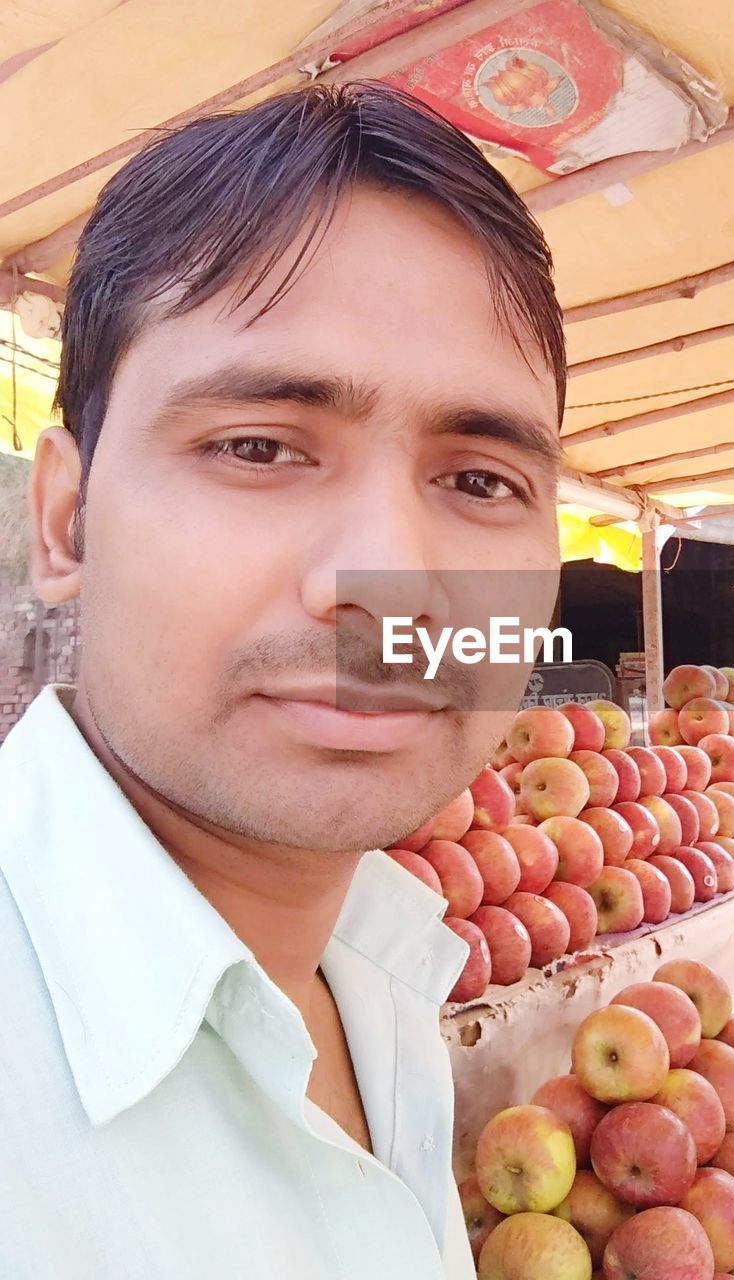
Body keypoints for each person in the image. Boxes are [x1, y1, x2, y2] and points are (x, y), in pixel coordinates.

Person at [0, 84, 566, 1278]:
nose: (389, 584)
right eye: (257, 447)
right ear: (64, 522)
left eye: (480, 482)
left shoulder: (383, 960)